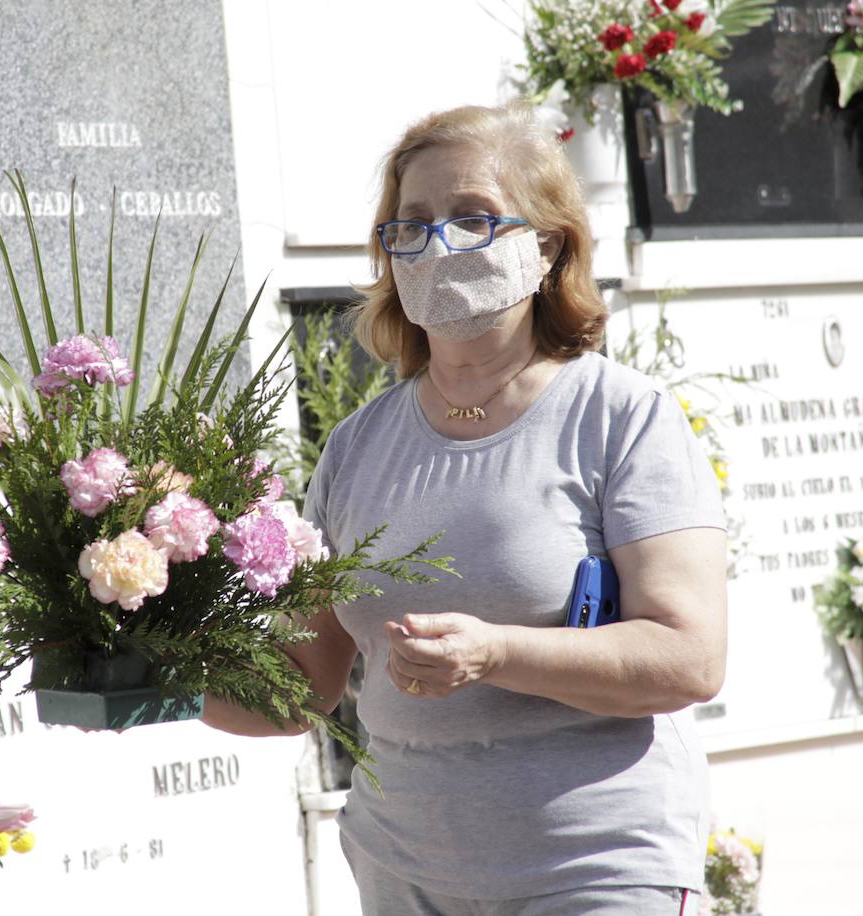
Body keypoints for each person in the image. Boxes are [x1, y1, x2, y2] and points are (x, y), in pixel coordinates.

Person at [203, 102, 728, 915]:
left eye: (473, 218)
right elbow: (303, 685)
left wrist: (496, 653)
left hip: (593, 870)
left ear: (547, 246)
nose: (438, 244)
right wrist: (144, 668)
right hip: (405, 873)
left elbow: (688, 659)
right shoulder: (354, 448)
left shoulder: (621, 417)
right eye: (411, 225)